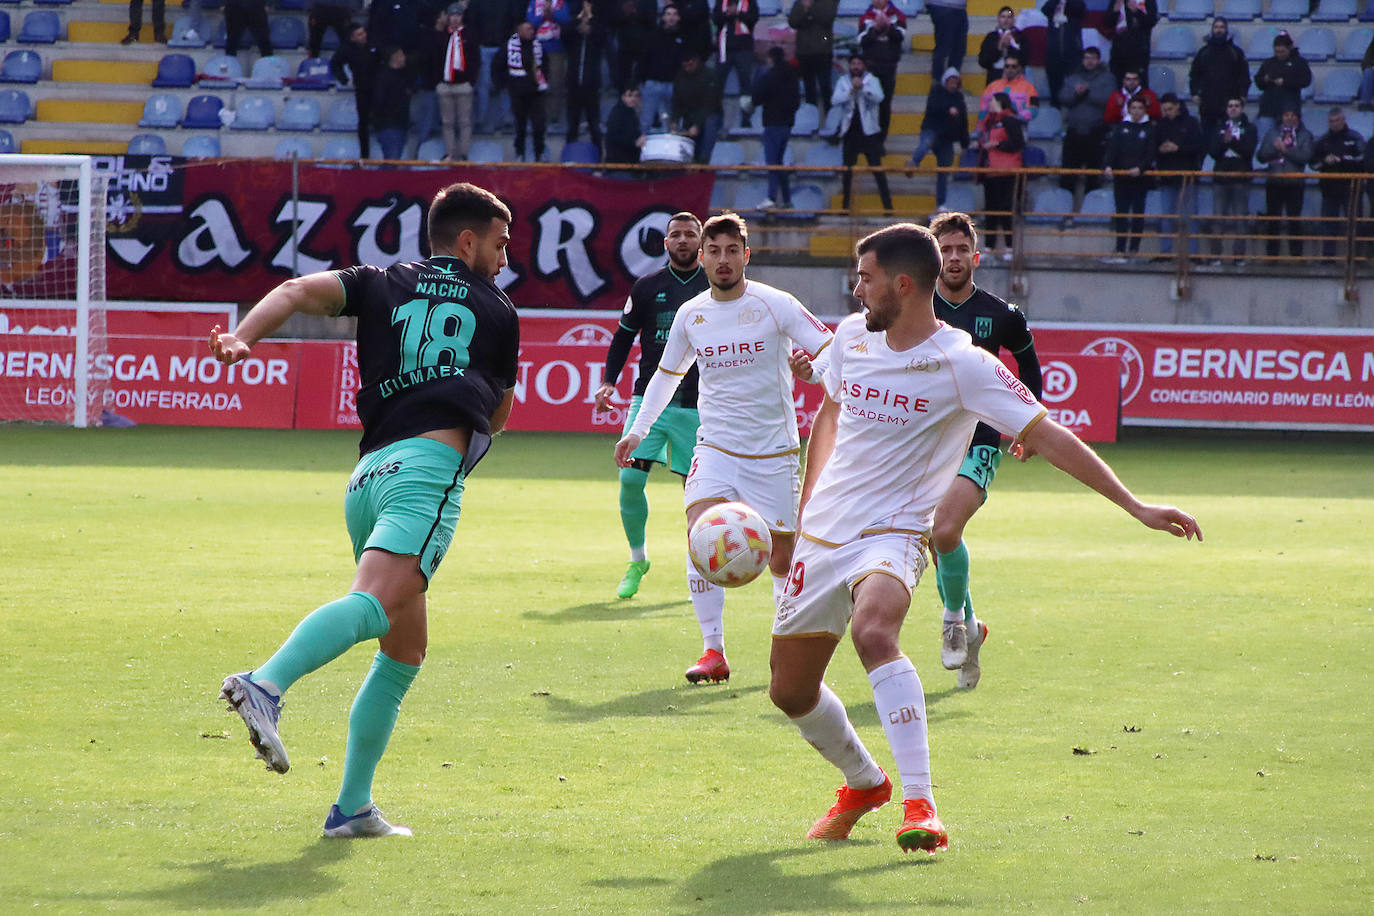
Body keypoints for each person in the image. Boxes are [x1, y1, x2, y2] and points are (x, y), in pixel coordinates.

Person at [769, 221, 1200, 854]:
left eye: (866, 278)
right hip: (823, 536)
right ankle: (864, 783)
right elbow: (829, 410)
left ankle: (921, 805)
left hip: (892, 534)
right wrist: (807, 506)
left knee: (875, 631)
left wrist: (1135, 505)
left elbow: (1048, 435)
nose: (857, 290)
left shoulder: (962, 362)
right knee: (790, 691)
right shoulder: (854, 336)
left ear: (903, 283)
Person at [213, 182, 520, 838]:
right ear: (467, 242)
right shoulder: (497, 308)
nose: (505, 255)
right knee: (376, 604)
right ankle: (264, 685)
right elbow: (498, 413)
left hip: (367, 477)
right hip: (427, 473)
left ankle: (352, 808)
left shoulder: (381, 281)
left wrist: (243, 337)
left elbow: (296, 291)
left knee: (404, 651)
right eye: (499, 243)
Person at [613, 212, 833, 683]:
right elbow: (665, 376)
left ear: (746, 255)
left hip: (772, 453)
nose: (723, 259)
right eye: (714, 251)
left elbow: (832, 351)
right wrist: (637, 429)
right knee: (700, 538)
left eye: (732, 250)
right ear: (702, 256)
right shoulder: (692, 314)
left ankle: (785, 651)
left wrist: (811, 372)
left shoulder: (777, 304)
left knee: (781, 556)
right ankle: (713, 652)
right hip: (714, 448)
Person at [924, 211, 1041, 687]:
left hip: (979, 440)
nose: (953, 258)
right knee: (937, 542)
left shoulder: (1002, 315)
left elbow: (1030, 374)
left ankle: (953, 621)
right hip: (924, 443)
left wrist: (1026, 429)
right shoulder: (915, 309)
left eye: (960, 250)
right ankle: (973, 629)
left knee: (945, 529)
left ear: (976, 256)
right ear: (933, 258)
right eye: (944, 250)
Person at [594, 213, 708, 602]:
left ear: (700, 241)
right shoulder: (647, 287)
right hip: (649, 401)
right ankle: (637, 559)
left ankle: (701, 567)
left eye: (689, 235)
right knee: (629, 480)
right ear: (665, 243)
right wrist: (609, 379)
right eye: (675, 234)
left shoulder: (716, 287)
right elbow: (623, 338)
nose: (682, 240)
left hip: (698, 404)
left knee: (696, 492)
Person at [833, 54, 893, 213]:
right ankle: (845, 208)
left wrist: (863, 89)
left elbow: (879, 97)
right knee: (847, 172)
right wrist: (851, 90)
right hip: (850, 132)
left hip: (869, 132)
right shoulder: (843, 81)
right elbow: (835, 100)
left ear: (864, 66)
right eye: (853, 63)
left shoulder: (872, 80)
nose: (856, 67)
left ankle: (888, 208)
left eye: (859, 63)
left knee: (877, 170)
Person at [1058, 46, 1114, 206]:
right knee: (1068, 174)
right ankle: (1064, 210)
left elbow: (1109, 99)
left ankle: (1093, 210)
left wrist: (1088, 92)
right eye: (1087, 58)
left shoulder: (1107, 78)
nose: (1089, 61)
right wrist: (1076, 94)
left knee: (1094, 175)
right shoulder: (1073, 77)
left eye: (1093, 58)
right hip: (1074, 132)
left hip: (1096, 131)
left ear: (1098, 60)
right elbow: (1063, 97)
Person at [1256, 106, 1313, 260]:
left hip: (1294, 183)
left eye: (1292, 115)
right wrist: (1276, 150)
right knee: (1272, 220)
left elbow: (1306, 156)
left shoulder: (1305, 135)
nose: (1289, 118)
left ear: (1297, 118)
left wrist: (1286, 150)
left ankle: (1296, 255)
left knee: (1294, 220)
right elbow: (1261, 155)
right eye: (1286, 115)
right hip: (1274, 181)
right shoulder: (1273, 133)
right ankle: (1272, 255)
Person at [1103, 95, 1155, 262]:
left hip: (1140, 179)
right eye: (1134, 108)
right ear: (1129, 109)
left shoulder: (1150, 129)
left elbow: (1151, 153)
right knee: (1121, 214)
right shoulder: (1121, 127)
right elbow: (1112, 149)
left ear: (1144, 110)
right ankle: (1119, 249)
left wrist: (1140, 168)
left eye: (1140, 108)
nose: (1137, 111)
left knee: (1138, 214)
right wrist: (1108, 165)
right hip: (1122, 178)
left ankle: (1133, 250)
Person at [909, 68, 970, 211]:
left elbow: (963, 122)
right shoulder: (936, 92)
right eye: (951, 82)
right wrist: (947, 109)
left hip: (947, 138)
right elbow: (932, 108)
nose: (953, 85)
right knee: (926, 143)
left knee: (944, 171)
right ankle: (913, 163)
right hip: (932, 130)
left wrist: (964, 144)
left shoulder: (959, 99)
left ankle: (941, 204)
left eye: (956, 82)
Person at [1206, 96, 1257, 264]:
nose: (1233, 108)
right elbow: (1213, 151)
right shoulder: (1218, 128)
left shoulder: (1250, 128)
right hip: (1221, 178)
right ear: (1226, 109)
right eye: (1230, 105)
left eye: (1236, 105)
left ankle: (1239, 257)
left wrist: (1232, 142)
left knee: (1240, 219)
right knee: (1218, 219)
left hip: (1241, 179)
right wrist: (1224, 142)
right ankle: (1215, 256)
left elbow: (1248, 151)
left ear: (1242, 108)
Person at [1153, 93, 1203, 258]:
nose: (1167, 112)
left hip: (1187, 177)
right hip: (1167, 177)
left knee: (1189, 217)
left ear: (1177, 107)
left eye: (1170, 109)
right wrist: (1160, 149)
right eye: (1165, 109)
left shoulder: (1191, 123)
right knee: (1167, 217)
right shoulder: (1160, 125)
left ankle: (1193, 254)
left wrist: (1178, 148)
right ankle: (1165, 253)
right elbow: (1152, 148)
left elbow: (1198, 146)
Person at [976, 91, 1024, 260]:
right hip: (990, 171)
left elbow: (1018, 143)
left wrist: (997, 144)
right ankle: (989, 247)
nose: (989, 104)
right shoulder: (990, 122)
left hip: (1007, 171)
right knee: (991, 210)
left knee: (1005, 209)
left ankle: (1009, 248)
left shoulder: (1010, 120)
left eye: (992, 101)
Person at [1311, 108, 1365, 260]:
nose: (1334, 124)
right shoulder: (1322, 140)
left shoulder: (1354, 138)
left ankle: (1355, 259)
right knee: (1328, 225)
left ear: (1343, 120)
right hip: (1329, 189)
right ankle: (1328, 259)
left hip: (1351, 189)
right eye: (1331, 121)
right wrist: (1324, 162)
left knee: (1354, 225)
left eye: (1336, 120)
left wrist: (1342, 160)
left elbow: (1362, 161)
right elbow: (1313, 163)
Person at [753, 46, 801, 209]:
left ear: (771, 58)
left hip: (773, 123)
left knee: (772, 162)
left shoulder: (770, 76)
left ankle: (772, 198)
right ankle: (786, 199)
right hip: (787, 124)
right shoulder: (792, 76)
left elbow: (756, 97)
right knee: (779, 162)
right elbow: (796, 102)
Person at [1188, 17, 1249, 140]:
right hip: (1207, 105)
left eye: (1222, 27)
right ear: (1212, 30)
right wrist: (1194, 93)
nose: (1219, 30)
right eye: (1216, 27)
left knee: (1229, 140)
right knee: (1207, 140)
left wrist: (1242, 94)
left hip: (1229, 105)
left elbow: (1244, 76)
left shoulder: (1236, 52)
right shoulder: (1203, 52)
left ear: (1226, 30)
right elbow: (1194, 75)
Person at [434, 3, 480, 161]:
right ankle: (450, 153)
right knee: (447, 122)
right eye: (452, 15)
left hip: (463, 84)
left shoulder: (469, 35)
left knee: (464, 122)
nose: (454, 19)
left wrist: (471, 81)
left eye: (458, 15)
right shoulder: (441, 36)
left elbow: (475, 59)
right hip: (445, 84)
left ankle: (464, 153)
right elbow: (433, 59)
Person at [468, 0, 522, 132]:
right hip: (484, 46)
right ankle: (481, 119)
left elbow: (514, 21)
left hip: (503, 46)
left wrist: (510, 43)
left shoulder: (508, 3)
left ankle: (507, 119)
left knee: (506, 84)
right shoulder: (477, 3)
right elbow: (472, 22)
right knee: (483, 85)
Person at [857, 0, 906, 140]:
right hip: (870, 68)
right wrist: (876, 30)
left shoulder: (897, 15)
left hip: (889, 68)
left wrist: (888, 27)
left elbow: (900, 37)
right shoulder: (866, 17)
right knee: (867, 105)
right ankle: (867, 138)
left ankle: (880, 140)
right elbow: (861, 40)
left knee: (884, 106)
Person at [712, 0, 760, 131]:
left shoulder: (750, 2)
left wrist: (738, 13)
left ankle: (746, 117)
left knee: (746, 86)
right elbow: (716, 20)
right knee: (717, 86)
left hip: (744, 49)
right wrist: (729, 14)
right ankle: (717, 118)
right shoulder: (720, 2)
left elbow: (753, 20)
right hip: (724, 48)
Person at [332, 24, 378, 159]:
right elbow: (335, 63)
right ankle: (365, 156)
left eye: (363, 32)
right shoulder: (347, 49)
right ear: (352, 38)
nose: (364, 36)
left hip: (380, 87)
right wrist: (345, 80)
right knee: (363, 122)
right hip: (362, 88)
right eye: (359, 34)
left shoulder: (374, 43)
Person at [1253, 32, 1311, 141]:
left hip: (1289, 110)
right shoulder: (1269, 63)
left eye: (1282, 52)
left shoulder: (1299, 63)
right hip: (1268, 108)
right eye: (1277, 52)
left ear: (1289, 49)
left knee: (1288, 141)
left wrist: (1285, 82)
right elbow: (1258, 81)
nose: (1279, 54)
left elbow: (1306, 81)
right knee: (1264, 140)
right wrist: (1264, 80)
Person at [564, 2, 607, 148]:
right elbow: (565, 35)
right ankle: (569, 153)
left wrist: (591, 25)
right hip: (574, 82)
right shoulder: (573, 27)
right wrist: (578, 21)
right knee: (572, 122)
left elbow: (602, 39)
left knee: (594, 122)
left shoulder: (599, 25)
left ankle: (598, 154)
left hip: (591, 83)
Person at [506, 19, 549, 162]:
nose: (531, 31)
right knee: (520, 126)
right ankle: (520, 153)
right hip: (518, 93)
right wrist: (508, 85)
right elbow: (499, 66)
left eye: (532, 29)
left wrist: (543, 81)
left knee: (539, 125)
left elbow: (546, 66)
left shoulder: (538, 46)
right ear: (519, 31)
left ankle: (539, 154)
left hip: (537, 93)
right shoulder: (509, 46)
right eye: (527, 29)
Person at [639, 4, 687, 133]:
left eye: (674, 14)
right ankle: (640, 151)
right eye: (668, 14)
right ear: (663, 17)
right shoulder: (653, 36)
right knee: (646, 121)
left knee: (671, 123)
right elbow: (643, 59)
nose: (671, 17)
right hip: (653, 85)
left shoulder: (683, 37)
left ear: (678, 18)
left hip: (674, 85)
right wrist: (642, 80)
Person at [671, 53, 724, 165]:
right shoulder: (680, 77)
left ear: (696, 61)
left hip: (709, 114)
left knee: (710, 124)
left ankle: (705, 158)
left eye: (690, 65)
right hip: (689, 115)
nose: (688, 68)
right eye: (685, 66)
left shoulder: (710, 75)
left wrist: (697, 124)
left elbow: (710, 103)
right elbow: (676, 101)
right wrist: (674, 120)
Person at [788, 0, 838, 114]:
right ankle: (811, 120)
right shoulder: (800, 2)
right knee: (808, 90)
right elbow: (793, 21)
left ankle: (829, 120)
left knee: (825, 88)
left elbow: (827, 18)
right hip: (804, 52)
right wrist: (805, 11)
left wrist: (809, 8)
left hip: (823, 51)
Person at [528, 0, 572, 126]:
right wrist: (542, 16)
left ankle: (553, 114)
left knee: (556, 83)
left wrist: (553, 14)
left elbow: (566, 20)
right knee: (536, 82)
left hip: (556, 49)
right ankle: (536, 114)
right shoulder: (534, 3)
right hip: (537, 49)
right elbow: (529, 22)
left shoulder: (561, 3)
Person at [1041, 0, 1085, 109]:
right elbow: (1045, 9)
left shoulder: (1077, 4)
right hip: (1054, 53)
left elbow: (1080, 8)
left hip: (1072, 52)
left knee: (1072, 83)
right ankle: (1056, 105)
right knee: (1054, 82)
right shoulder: (1054, 4)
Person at [372, 47, 414, 160]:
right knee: (392, 159)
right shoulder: (383, 78)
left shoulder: (405, 75)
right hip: (388, 126)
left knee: (396, 158)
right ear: (394, 57)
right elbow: (378, 102)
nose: (404, 58)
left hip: (402, 125)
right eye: (401, 55)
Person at [1105, 0, 1157, 89]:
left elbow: (1151, 21)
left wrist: (1136, 11)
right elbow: (1108, 23)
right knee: (1117, 85)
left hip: (1139, 52)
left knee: (1139, 85)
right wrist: (1115, 12)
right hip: (1119, 52)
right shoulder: (1117, 1)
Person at [977, 52, 1037, 127]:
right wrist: (980, 129)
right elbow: (983, 109)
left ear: (1020, 68)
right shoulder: (992, 86)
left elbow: (1034, 110)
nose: (1010, 69)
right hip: (994, 128)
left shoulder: (1030, 88)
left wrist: (1017, 117)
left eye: (1014, 66)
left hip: (1018, 127)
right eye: (1007, 66)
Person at [978, 7, 1023, 84]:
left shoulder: (1020, 37)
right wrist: (998, 47)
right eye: (1003, 17)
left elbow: (1024, 59)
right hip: (994, 77)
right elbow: (983, 61)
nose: (1006, 20)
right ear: (998, 19)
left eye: (1009, 17)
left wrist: (1013, 45)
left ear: (1013, 20)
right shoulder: (991, 37)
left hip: (1015, 78)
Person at [925, 0, 968, 79]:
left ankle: (951, 82)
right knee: (944, 46)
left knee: (958, 47)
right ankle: (938, 84)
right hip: (943, 5)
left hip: (958, 7)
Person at [605, 84, 647, 163]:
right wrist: (634, 142)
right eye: (630, 96)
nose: (633, 99)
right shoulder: (617, 113)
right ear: (623, 97)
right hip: (618, 161)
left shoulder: (631, 113)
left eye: (636, 96)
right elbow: (614, 137)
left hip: (630, 158)